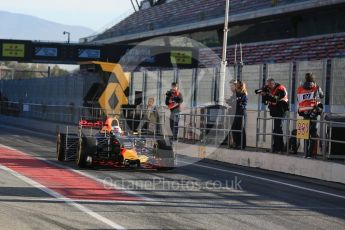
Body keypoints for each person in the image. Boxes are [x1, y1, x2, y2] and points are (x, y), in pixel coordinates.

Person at [297, 72, 324, 158]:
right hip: (314, 113)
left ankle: (305, 154)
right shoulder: (316, 87)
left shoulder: (300, 88)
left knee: (305, 133)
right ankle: (310, 153)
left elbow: (298, 99)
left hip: (304, 112)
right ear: (313, 79)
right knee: (313, 133)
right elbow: (322, 96)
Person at [261, 78, 289, 153]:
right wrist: (263, 94)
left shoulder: (280, 88)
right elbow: (266, 99)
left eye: (269, 85)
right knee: (276, 129)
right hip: (276, 111)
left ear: (273, 83)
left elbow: (275, 99)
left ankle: (279, 148)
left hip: (281, 111)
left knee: (278, 129)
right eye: (268, 85)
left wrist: (266, 94)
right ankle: (276, 147)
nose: (268, 87)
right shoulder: (270, 88)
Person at [229, 80, 248, 149]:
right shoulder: (235, 93)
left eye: (236, 85)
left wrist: (236, 101)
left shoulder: (243, 93)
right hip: (235, 112)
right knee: (234, 127)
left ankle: (241, 144)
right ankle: (236, 143)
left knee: (240, 128)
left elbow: (241, 103)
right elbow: (232, 102)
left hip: (241, 112)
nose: (235, 86)